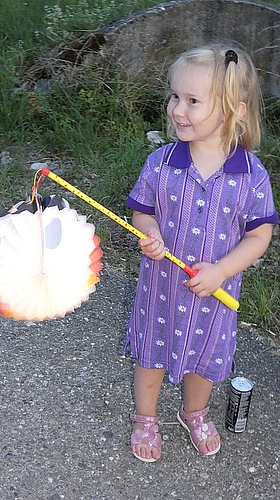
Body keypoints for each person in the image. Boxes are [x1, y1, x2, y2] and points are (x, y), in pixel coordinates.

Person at [125, 43, 279, 462]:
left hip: (214, 295)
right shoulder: (161, 162)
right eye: (175, 96)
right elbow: (143, 213)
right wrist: (151, 234)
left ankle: (194, 412)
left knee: (205, 357)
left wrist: (222, 271)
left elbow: (259, 237)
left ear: (235, 111)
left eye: (193, 101)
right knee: (151, 352)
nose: (177, 109)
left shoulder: (251, 175)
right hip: (160, 289)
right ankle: (146, 418)